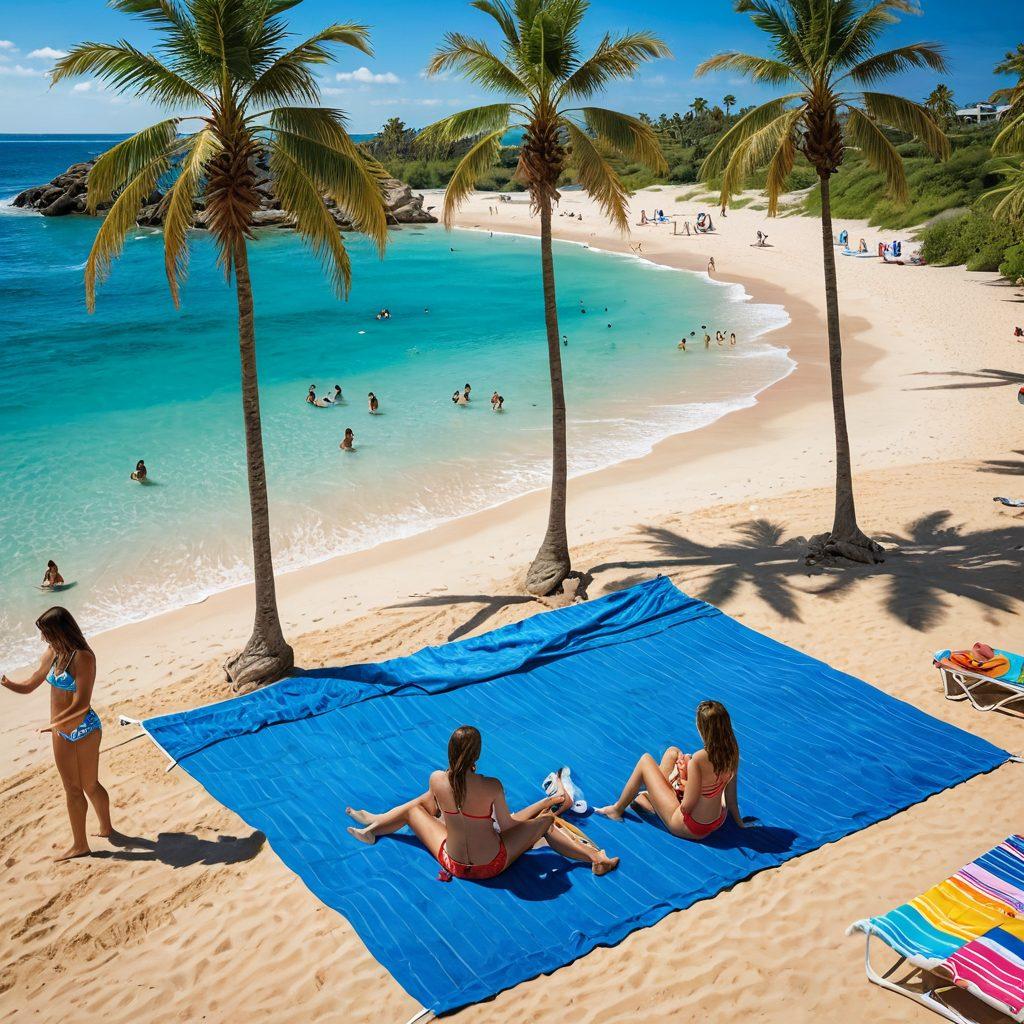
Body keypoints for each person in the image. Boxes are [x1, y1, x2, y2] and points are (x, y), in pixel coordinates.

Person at [345, 725, 618, 880]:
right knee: (545, 823)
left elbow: (439, 801)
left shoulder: (436, 779)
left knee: (416, 810)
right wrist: (537, 818)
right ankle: (595, 859)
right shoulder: (490, 786)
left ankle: (375, 829)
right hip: (489, 865)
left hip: (452, 862)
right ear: (478, 754)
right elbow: (509, 825)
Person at [2, 607, 113, 860]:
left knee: (90, 784)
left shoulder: (83, 657)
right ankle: (80, 844)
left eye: (46, 633)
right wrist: (7, 683)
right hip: (60, 731)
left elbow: (82, 704)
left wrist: (53, 724)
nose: (43, 639)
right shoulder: (53, 653)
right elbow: (31, 683)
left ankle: (106, 828)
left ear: (60, 631)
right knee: (72, 788)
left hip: (85, 728)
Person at [597, 701, 747, 841]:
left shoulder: (699, 759)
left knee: (645, 760)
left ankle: (616, 810)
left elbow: (686, 806)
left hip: (692, 826)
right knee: (672, 752)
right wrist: (740, 824)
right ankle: (650, 790)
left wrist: (679, 783)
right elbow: (730, 798)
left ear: (701, 728)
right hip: (718, 819)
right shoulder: (733, 752)